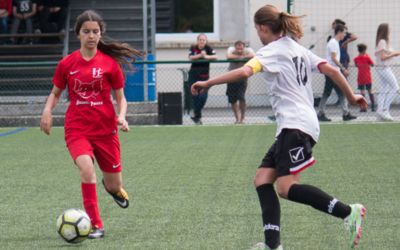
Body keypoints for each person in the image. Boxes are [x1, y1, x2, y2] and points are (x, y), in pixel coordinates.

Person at [191, 5, 367, 250]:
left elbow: (243, 71)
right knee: (262, 179)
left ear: (263, 27)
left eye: (257, 29)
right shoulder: (299, 49)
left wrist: (209, 82)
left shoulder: (270, 51)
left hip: (296, 125)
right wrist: (351, 96)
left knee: (285, 187)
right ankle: (273, 245)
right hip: (297, 125)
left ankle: (348, 212)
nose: (258, 34)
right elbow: (332, 70)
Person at [40, 10, 142, 239]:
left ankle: (112, 189)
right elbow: (55, 93)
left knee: (115, 185)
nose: (91, 36)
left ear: (100, 34)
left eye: (95, 31)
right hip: (77, 128)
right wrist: (47, 110)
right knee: (87, 170)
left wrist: (122, 116)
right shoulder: (67, 64)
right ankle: (96, 225)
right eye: (86, 31)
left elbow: (121, 97)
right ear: (78, 34)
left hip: (106, 130)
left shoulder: (109, 64)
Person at [317, 24, 357, 122]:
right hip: (332, 72)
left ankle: (344, 113)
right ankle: (322, 113)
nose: (344, 35)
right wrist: (343, 69)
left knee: (337, 92)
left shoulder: (334, 42)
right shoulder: (333, 43)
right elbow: (334, 58)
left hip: (332, 71)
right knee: (330, 93)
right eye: (343, 32)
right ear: (339, 32)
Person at [188, 33, 217, 125]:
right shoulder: (193, 47)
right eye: (200, 39)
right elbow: (190, 57)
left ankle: (196, 115)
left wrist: (206, 56)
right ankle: (197, 117)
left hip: (204, 76)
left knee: (203, 96)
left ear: (206, 41)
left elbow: (215, 57)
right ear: (197, 41)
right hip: (193, 75)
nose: (202, 41)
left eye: (203, 40)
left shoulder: (209, 48)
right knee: (195, 96)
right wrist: (200, 55)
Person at [374, 23, 400, 121]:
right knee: (395, 88)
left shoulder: (383, 42)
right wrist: (394, 54)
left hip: (383, 68)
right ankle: (385, 110)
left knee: (383, 89)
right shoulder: (382, 41)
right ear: (385, 30)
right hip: (384, 68)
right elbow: (383, 57)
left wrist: (394, 53)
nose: (390, 30)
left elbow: (386, 54)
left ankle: (380, 111)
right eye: (389, 29)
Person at [226, 40, 255, 124]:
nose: (239, 49)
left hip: (242, 78)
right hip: (231, 77)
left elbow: (253, 55)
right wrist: (241, 57)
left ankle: (242, 117)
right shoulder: (231, 50)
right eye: (238, 47)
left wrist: (242, 55)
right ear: (235, 47)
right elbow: (228, 56)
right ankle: (237, 118)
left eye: (241, 47)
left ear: (244, 47)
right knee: (232, 99)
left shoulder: (248, 50)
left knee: (241, 97)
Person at [354, 43, 375, 112]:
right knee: (370, 91)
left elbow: (356, 65)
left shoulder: (356, 58)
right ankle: (373, 106)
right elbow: (372, 64)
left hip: (360, 77)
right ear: (364, 51)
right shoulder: (367, 58)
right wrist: (367, 56)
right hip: (367, 77)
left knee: (362, 93)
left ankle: (363, 107)